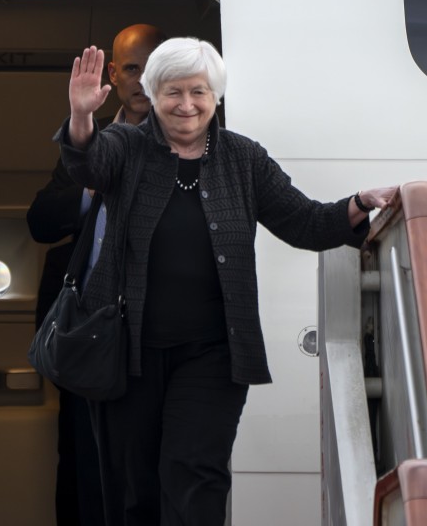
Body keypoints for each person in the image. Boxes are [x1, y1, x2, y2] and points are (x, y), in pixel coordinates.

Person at [57, 38, 396, 526]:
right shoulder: (125, 147)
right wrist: (82, 117)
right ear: (152, 94)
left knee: (196, 476)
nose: (187, 104)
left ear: (216, 95)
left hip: (213, 355)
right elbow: (85, 164)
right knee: (137, 491)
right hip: (125, 356)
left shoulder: (244, 159)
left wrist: (361, 201)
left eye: (199, 91)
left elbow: (305, 222)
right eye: (173, 92)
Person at [27, 24, 166, 526]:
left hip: (156, 335)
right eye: (132, 68)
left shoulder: (192, 141)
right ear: (113, 74)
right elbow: (40, 221)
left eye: (154, 70)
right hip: (88, 335)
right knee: (83, 462)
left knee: (148, 466)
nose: (143, 81)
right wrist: (94, 188)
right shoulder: (87, 138)